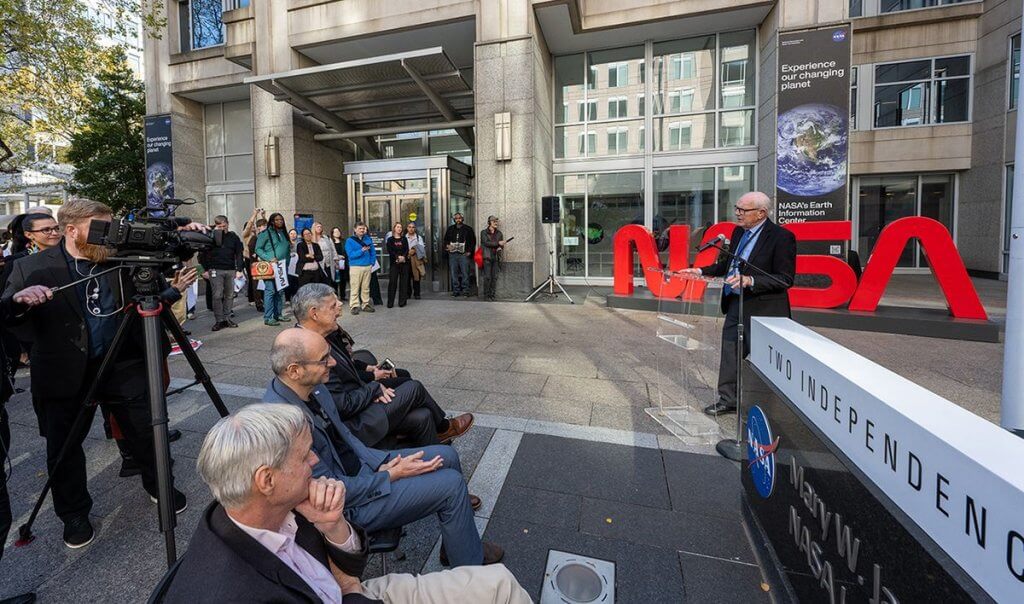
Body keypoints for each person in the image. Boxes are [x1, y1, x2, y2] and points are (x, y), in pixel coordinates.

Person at [162, 403, 531, 603]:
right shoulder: (237, 589)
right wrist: (351, 588)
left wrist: (334, 527)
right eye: (304, 457)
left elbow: (352, 565)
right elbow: (349, 581)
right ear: (266, 479)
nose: (313, 464)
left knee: (500, 581)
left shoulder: (275, 505)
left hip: (353, 590)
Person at [0, 198, 200, 548]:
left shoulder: (119, 258)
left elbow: (162, 272)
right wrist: (19, 302)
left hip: (122, 363)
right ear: (71, 229)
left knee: (145, 432)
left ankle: (159, 485)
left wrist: (188, 237)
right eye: (101, 228)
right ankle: (74, 513)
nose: (110, 235)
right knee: (64, 449)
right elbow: (9, 315)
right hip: (62, 371)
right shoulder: (29, 268)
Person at [262, 328, 504, 567]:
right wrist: (388, 475)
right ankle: (471, 574)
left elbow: (347, 437)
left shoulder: (314, 387)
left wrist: (380, 463)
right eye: (324, 359)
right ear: (294, 370)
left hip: (363, 471)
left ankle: (458, 547)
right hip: (346, 506)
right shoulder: (284, 424)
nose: (333, 362)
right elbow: (329, 492)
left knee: (447, 454)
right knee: (451, 485)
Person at [292, 284, 474, 451]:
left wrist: (370, 372)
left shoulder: (324, 334)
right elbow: (343, 406)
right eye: (333, 306)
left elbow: (348, 365)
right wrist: (374, 388)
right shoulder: (309, 351)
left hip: (359, 401)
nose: (340, 306)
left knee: (423, 415)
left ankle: (437, 463)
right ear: (314, 313)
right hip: (354, 424)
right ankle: (444, 428)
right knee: (414, 387)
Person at [680, 191, 795, 416]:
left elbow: (785, 278)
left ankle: (775, 410)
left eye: (744, 210)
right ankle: (728, 400)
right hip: (736, 303)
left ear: (762, 213)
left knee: (766, 363)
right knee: (731, 352)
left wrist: (750, 280)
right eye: (737, 208)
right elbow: (728, 265)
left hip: (765, 309)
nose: (738, 214)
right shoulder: (738, 232)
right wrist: (700, 270)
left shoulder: (781, 237)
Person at [200, 215, 244, 332]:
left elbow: (239, 253)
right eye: (220, 226)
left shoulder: (233, 236)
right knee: (217, 295)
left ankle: (227, 317)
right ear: (216, 225)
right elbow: (202, 253)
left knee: (229, 295)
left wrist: (239, 269)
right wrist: (204, 270)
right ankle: (219, 320)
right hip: (215, 269)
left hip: (230, 269)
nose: (223, 228)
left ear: (228, 224)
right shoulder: (210, 236)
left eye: (224, 226)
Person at [256, 212, 291, 326]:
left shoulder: (283, 233)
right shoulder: (265, 233)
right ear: (272, 221)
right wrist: (269, 258)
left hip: (282, 266)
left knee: (280, 291)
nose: (279, 221)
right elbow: (258, 249)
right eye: (276, 220)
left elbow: (287, 250)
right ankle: (268, 317)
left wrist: (288, 262)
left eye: (281, 219)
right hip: (271, 266)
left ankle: (278, 314)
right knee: (270, 291)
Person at [345, 222, 376, 315]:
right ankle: (354, 305)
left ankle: (365, 304)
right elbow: (350, 255)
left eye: (363, 228)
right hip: (355, 266)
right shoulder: (349, 241)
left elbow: (373, 252)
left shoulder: (368, 239)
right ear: (355, 229)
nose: (362, 230)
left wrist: (372, 262)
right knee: (355, 287)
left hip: (367, 266)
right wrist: (361, 251)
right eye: (360, 228)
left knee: (366, 287)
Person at [442, 213, 475, 297]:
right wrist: (447, 246)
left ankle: (466, 291)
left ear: (462, 219)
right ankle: (456, 291)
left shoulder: (468, 229)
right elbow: (445, 240)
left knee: (465, 273)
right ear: (454, 220)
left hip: (464, 254)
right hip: (452, 254)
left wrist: (469, 251)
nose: (458, 220)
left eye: (459, 218)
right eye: (456, 218)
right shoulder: (450, 229)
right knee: (454, 273)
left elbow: (473, 242)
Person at [479, 216, 505, 302]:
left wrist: (500, 247)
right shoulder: (483, 232)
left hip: (495, 257)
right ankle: (486, 296)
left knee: (494, 277)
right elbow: (486, 242)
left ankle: (492, 295)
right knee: (487, 277)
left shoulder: (499, 233)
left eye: (496, 221)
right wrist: (498, 243)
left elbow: (501, 245)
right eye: (494, 221)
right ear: (489, 222)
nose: (496, 223)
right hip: (487, 257)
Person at [384, 223, 409, 309]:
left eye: (401, 227)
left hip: (404, 263)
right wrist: (397, 257)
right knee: (392, 282)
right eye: (397, 227)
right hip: (394, 263)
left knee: (404, 282)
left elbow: (407, 249)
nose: (399, 228)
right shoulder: (390, 240)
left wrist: (403, 257)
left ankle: (402, 302)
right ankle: (390, 302)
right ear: (394, 228)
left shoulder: (404, 239)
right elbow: (390, 250)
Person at [405, 223, 425, 301]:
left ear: (415, 229)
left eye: (413, 227)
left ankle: (417, 294)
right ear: (407, 228)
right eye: (409, 227)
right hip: (407, 259)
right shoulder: (404, 237)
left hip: (416, 259)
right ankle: (408, 293)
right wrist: (408, 252)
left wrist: (413, 249)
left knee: (416, 277)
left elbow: (421, 247)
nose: (411, 229)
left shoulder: (418, 237)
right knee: (407, 277)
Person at [314, 222, 336, 288]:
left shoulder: (326, 238)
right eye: (318, 227)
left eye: (320, 227)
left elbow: (333, 249)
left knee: (328, 281)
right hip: (317, 264)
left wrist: (336, 259)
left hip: (327, 263)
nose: (319, 228)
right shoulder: (311, 238)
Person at [331, 227, 349, 301]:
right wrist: (337, 257)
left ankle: (343, 296)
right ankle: (335, 296)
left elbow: (347, 250)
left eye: (338, 231)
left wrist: (343, 256)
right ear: (332, 233)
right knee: (335, 280)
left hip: (343, 262)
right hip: (335, 262)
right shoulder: (331, 242)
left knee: (343, 280)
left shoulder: (344, 241)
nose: (337, 233)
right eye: (335, 232)